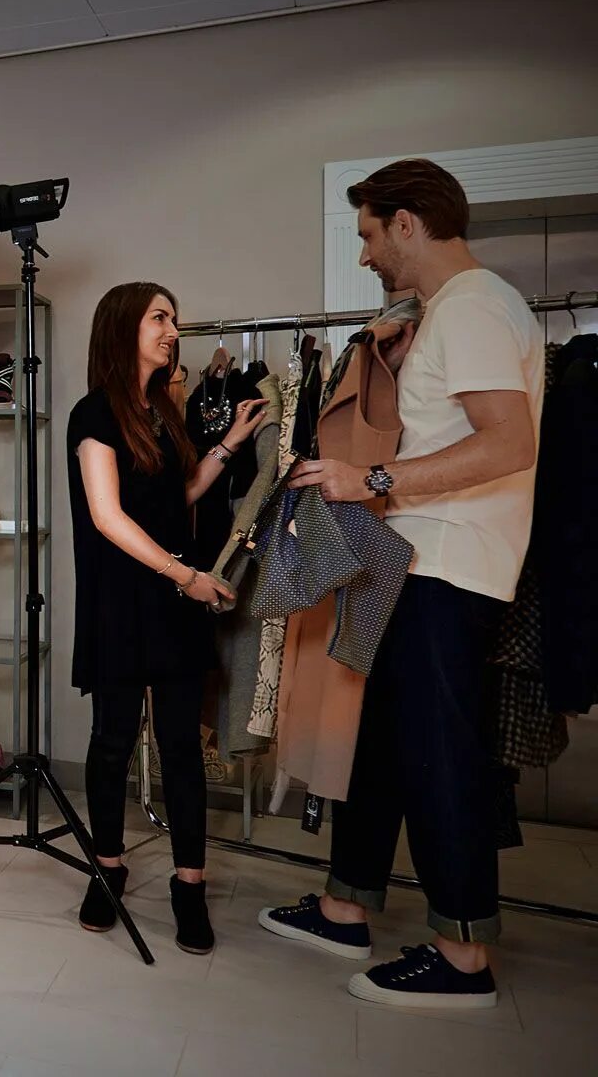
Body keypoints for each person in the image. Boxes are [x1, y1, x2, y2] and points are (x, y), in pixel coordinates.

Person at [260, 159, 542, 1009]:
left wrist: (373, 480)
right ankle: (345, 907)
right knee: (380, 739)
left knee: (439, 756)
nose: (366, 255)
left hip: (449, 568)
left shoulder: (477, 306)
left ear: (409, 223)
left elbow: (508, 442)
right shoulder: (450, 311)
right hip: (416, 562)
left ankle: (463, 955)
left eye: (370, 235)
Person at [67, 282, 264, 955]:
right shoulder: (94, 413)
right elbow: (107, 516)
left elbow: (177, 497)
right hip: (124, 598)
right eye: (159, 317)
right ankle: (109, 869)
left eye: (174, 319)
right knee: (113, 739)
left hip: (173, 596)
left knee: (181, 745)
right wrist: (187, 576)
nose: (172, 330)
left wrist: (230, 442)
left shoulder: (164, 413)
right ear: (123, 326)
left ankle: (189, 885)